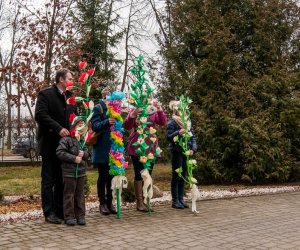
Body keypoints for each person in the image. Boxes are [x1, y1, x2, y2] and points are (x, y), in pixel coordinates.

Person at [35, 68, 77, 224]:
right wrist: (58, 128)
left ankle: (60, 211)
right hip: (49, 144)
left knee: (62, 179)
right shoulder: (46, 94)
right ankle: (49, 212)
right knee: (48, 180)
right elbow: (40, 115)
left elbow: (73, 118)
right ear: (61, 79)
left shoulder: (71, 98)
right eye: (70, 78)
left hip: (65, 148)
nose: (72, 81)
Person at [123, 99, 167, 212]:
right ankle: (139, 203)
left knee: (148, 173)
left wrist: (160, 109)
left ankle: (145, 199)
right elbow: (127, 126)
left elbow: (162, 122)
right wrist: (133, 114)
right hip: (137, 147)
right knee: (139, 173)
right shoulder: (135, 108)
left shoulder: (152, 110)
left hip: (151, 146)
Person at [56, 118, 89, 226]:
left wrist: (83, 154)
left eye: (82, 127)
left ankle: (80, 215)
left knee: (80, 195)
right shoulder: (66, 139)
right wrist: (73, 158)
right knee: (69, 195)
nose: (80, 129)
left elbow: (88, 154)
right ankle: (69, 216)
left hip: (80, 172)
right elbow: (60, 152)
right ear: (74, 126)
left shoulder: (83, 141)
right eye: (78, 126)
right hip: (69, 172)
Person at [166, 100, 197, 209]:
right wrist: (178, 133)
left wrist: (193, 147)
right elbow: (168, 137)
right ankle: (175, 200)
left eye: (184, 110)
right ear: (176, 110)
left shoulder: (188, 122)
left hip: (186, 152)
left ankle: (181, 199)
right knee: (177, 175)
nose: (183, 112)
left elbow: (193, 137)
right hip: (177, 151)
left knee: (183, 174)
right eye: (180, 110)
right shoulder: (172, 122)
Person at [91, 87, 117, 215]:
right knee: (103, 176)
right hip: (102, 148)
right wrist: (107, 121)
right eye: (107, 97)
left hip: (114, 147)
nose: (109, 100)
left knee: (111, 177)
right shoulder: (98, 108)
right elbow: (94, 126)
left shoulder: (115, 109)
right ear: (104, 97)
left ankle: (110, 202)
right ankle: (102, 203)